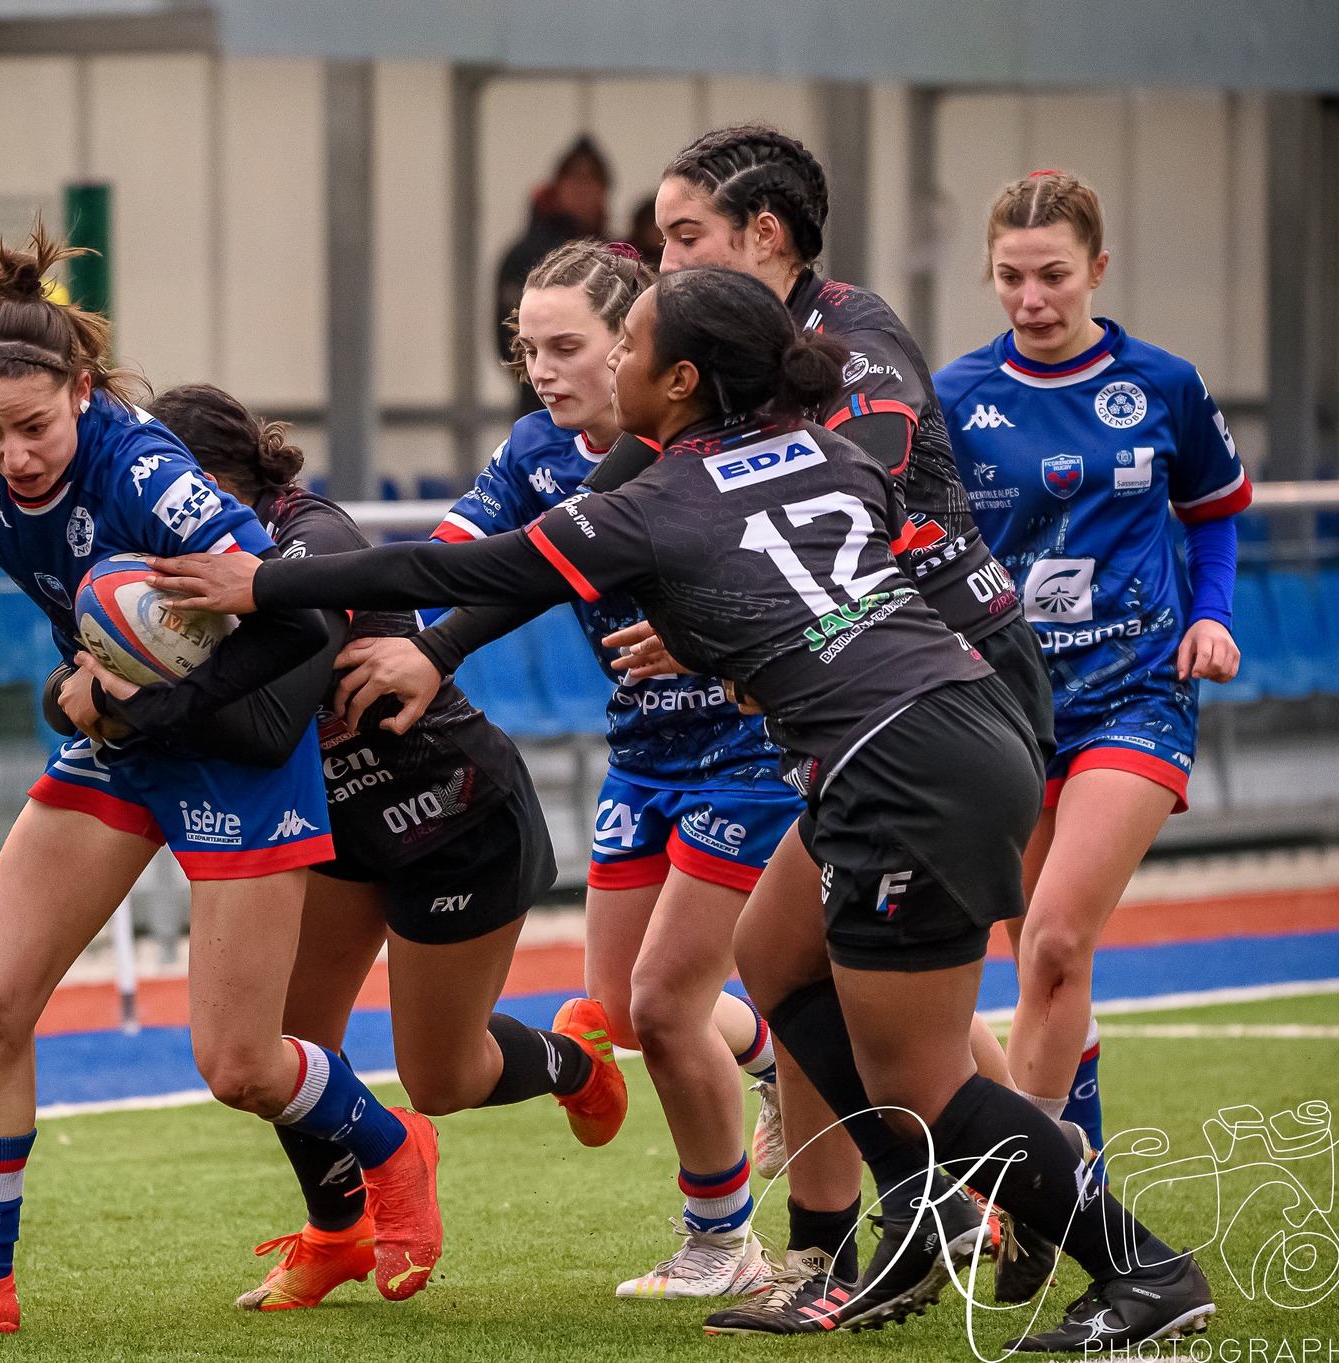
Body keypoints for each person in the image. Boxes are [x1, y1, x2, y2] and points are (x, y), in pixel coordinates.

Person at [151, 265, 1219, 1352]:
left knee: (924, 1078)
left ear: (682, 381)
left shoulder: (655, 502)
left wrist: (258, 585)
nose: (609, 360)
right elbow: (863, 579)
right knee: (775, 959)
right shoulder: (822, 448)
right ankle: (899, 1226)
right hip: (948, 723)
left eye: (627, 346)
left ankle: (1143, 1268)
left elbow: (469, 566)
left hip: (896, 764)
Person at [0, 229, 446, 1343]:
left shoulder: (151, 473)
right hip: (120, 729)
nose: (9, 455)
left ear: (84, 391)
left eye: (35, 427)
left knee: (240, 1065)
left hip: (230, 750)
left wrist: (139, 705)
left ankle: (394, 1147)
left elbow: (297, 623)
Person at [577, 126, 1050, 1330]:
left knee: (910, 1013)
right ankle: (937, 1215)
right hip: (863, 695)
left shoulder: (845, 335)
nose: (661, 268)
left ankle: (1008, 1218)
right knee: (792, 966)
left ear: (763, 239)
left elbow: (861, 474)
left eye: (682, 239)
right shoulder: (712, 378)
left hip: (929, 684)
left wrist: (739, 594)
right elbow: (584, 520)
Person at [338, 239, 794, 1301]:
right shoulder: (534, 450)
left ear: (638, 346)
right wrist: (357, 625)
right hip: (642, 753)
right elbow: (459, 554)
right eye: (524, 347)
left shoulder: (712, 448)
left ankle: (727, 1242)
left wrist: (705, 642)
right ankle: (773, 1063)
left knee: (677, 999)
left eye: (565, 345)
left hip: (752, 752)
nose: (540, 368)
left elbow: (791, 579)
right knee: (629, 1009)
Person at [132, 384, 622, 1313]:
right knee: (286, 1045)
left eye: (165, 489)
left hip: (453, 817)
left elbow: (269, 716)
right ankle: (335, 1234)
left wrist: (140, 696)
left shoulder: (312, 536)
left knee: (441, 1078)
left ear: (221, 482)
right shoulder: (175, 566)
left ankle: (574, 1061)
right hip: (336, 830)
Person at [939, 166, 1249, 1262]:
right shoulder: (953, 394)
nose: (1030, 297)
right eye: (1010, 277)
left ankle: (1027, 1205)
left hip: (1133, 693)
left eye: (1053, 275)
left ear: (1097, 271)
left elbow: (1212, 512)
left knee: (1060, 939)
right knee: (1035, 962)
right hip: (1007, 704)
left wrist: (1207, 616)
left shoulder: (1160, 383)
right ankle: (1081, 1169)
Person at [497, 135, 611, 415]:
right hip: (541, 408)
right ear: (559, 187)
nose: (584, 190)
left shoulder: (613, 254)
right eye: (575, 181)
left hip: (602, 408)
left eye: (593, 182)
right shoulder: (525, 255)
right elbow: (506, 339)